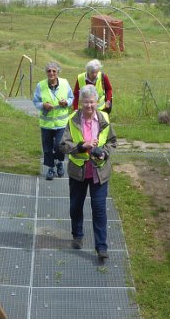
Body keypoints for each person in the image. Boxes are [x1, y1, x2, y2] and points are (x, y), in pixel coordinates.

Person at [59, 84, 118, 262]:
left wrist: (104, 152)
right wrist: (81, 146)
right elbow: (63, 145)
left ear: (97, 102)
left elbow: (112, 141)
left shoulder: (104, 118)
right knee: (76, 206)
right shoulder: (72, 119)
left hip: (99, 172)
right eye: (85, 103)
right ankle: (77, 235)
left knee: (99, 210)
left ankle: (101, 247)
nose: (89, 106)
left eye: (92, 102)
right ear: (80, 103)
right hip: (78, 172)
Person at [33, 61, 73, 181]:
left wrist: (66, 102)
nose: (51, 73)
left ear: (58, 72)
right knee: (47, 148)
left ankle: (60, 162)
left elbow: (71, 98)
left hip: (61, 123)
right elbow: (36, 101)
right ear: (46, 72)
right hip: (46, 124)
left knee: (60, 146)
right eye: (49, 71)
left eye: (54, 71)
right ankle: (50, 168)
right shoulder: (40, 85)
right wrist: (43, 105)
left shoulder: (65, 83)